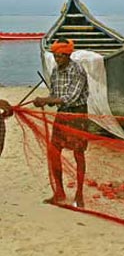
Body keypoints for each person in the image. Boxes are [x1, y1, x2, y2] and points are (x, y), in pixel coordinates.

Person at [33, 38, 89, 208]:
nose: (57, 59)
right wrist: (46, 100)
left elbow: (70, 98)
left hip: (77, 115)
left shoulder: (77, 70)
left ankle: (79, 194)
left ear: (68, 55)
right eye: (56, 56)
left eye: (61, 56)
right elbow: (54, 94)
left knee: (78, 154)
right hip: (62, 114)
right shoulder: (56, 71)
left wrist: (47, 99)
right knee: (54, 151)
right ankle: (59, 192)